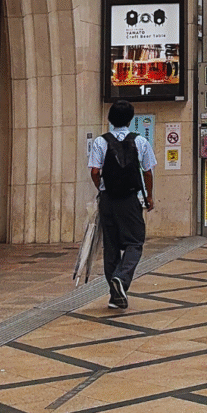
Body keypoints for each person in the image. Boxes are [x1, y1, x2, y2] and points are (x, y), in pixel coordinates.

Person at [88, 99, 156, 310]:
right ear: (130, 119)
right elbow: (147, 172)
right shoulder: (141, 141)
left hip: (108, 200)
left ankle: (115, 295)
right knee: (135, 242)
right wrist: (150, 197)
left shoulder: (101, 141)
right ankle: (122, 278)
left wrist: (101, 188)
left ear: (110, 119)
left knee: (111, 246)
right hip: (131, 200)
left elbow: (94, 171)